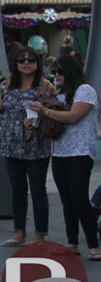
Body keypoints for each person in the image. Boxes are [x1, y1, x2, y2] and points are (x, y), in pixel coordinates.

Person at [28, 55, 100, 260]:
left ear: (71, 72)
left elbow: (74, 116)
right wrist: (35, 121)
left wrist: (45, 112)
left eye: (60, 72)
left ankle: (94, 245)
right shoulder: (59, 96)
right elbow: (52, 119)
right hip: (59, 151)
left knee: (80, 199)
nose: (56, 75)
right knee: (67, 199)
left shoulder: (85, 91)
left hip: (79, 151)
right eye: (54, 72)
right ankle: (72, 242)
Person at [0, 47, 54, 247]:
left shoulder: (45, 86)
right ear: (15, 64)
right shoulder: (9, 84)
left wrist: (40, 117)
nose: (26, 63)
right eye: (21, 60)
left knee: (37, 189)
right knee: (17, 190)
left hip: (35, 144)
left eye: (30, 60)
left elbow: (54, 112)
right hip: (10, 143)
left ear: (38, 64)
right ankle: (19, 233)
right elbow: (8, 111)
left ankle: (39, 235)